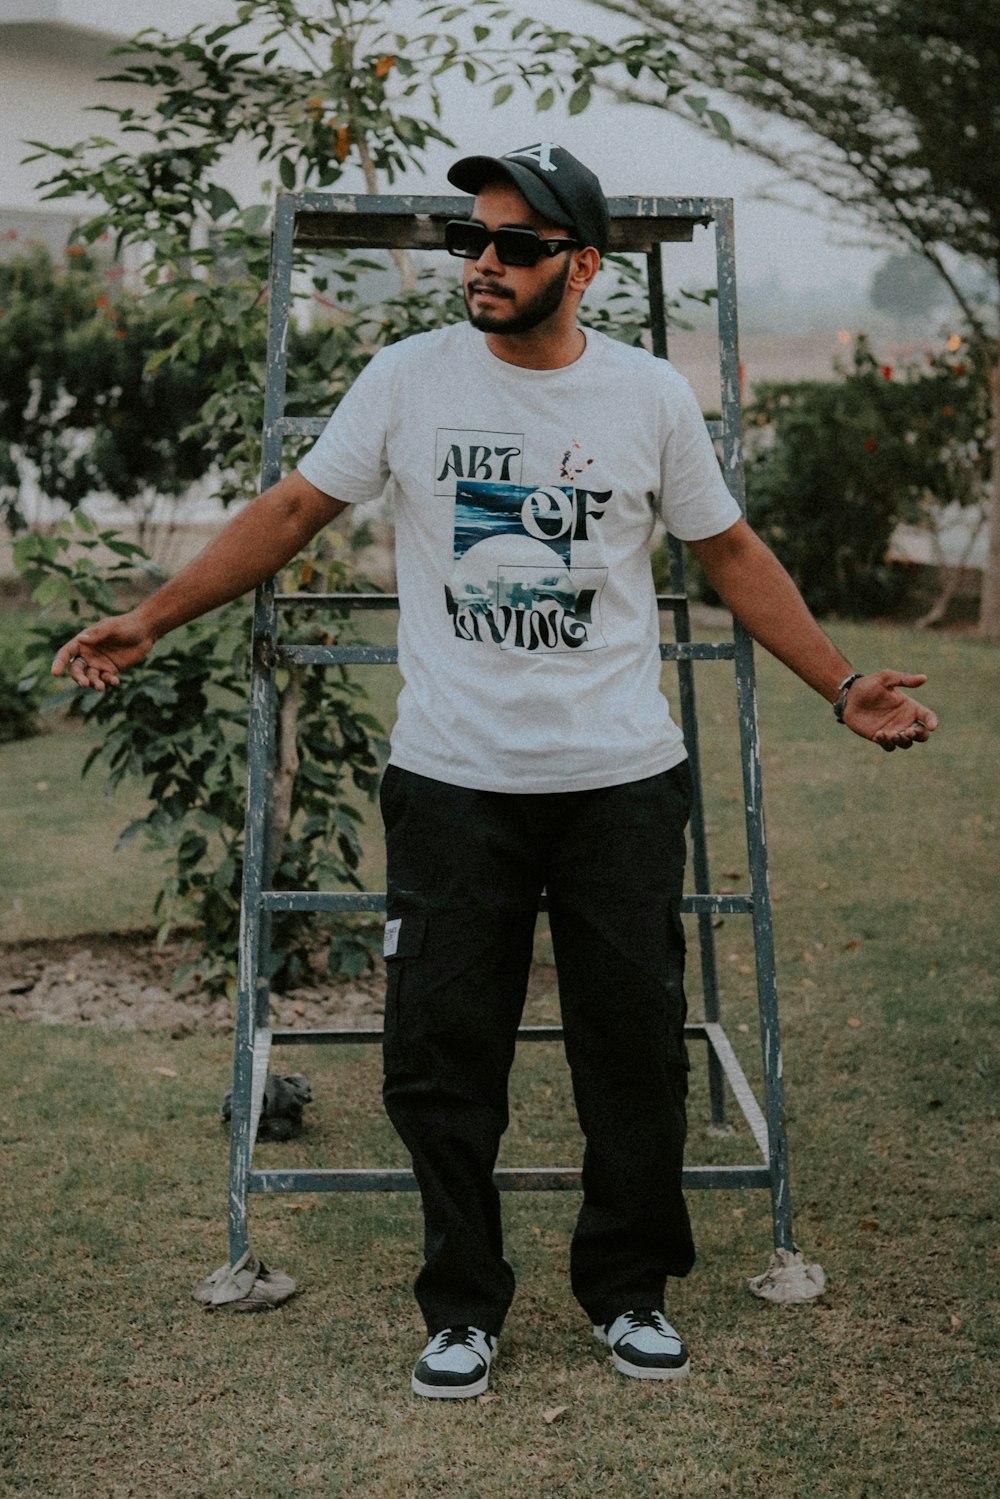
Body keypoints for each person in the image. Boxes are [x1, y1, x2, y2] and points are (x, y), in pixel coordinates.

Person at [52, 142, 938, 1399]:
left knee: (631, 1051)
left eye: (516, 245)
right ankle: (461, 1305)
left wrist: (843, 682)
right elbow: (293, 509)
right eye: (471, 239)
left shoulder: (645, 398)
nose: (482, 261)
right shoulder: (407, 379)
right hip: (454, 780)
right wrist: (154, 615)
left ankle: (627, 1292)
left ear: (583, 264)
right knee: (438, 1055)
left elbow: (729, 549)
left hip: (620, 782)